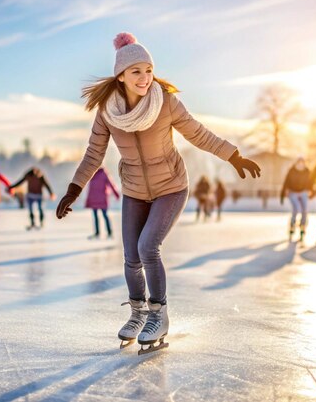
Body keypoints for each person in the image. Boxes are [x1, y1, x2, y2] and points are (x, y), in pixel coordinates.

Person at [55, 32, 261, 354]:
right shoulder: (108, 112)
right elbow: (94, 154)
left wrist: (232, 155)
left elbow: (197, 133)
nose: (145, 77)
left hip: (171, 187)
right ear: (121, 76)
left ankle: (159, 315)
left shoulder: (165, 101)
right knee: (131, 256)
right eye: (136, 71)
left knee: (148, 246)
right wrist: (74, 188)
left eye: (149, 70)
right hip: (135, 189)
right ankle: (138, 314)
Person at [280, 157, 311, 242]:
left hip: (303, 191)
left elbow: (310, 181)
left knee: (304, 210)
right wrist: (283, 194)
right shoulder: (292, 170)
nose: (301, 164)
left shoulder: (307, 171)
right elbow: (286, 182)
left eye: (302, 162)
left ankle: (303, 226)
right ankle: (292, 224)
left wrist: (312, 190)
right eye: (299, 162)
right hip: (293, 192)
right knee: (296, 209)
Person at [84, 167, 120, 239]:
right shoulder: (94, 173)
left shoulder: (97, 173)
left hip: (98, 199)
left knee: (102, 215)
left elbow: (110, 184)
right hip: (97, 199)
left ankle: (106, 233)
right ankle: (101, 233)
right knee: (99, 216)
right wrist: (116, 194)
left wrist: (116, 194)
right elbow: (91, 188)